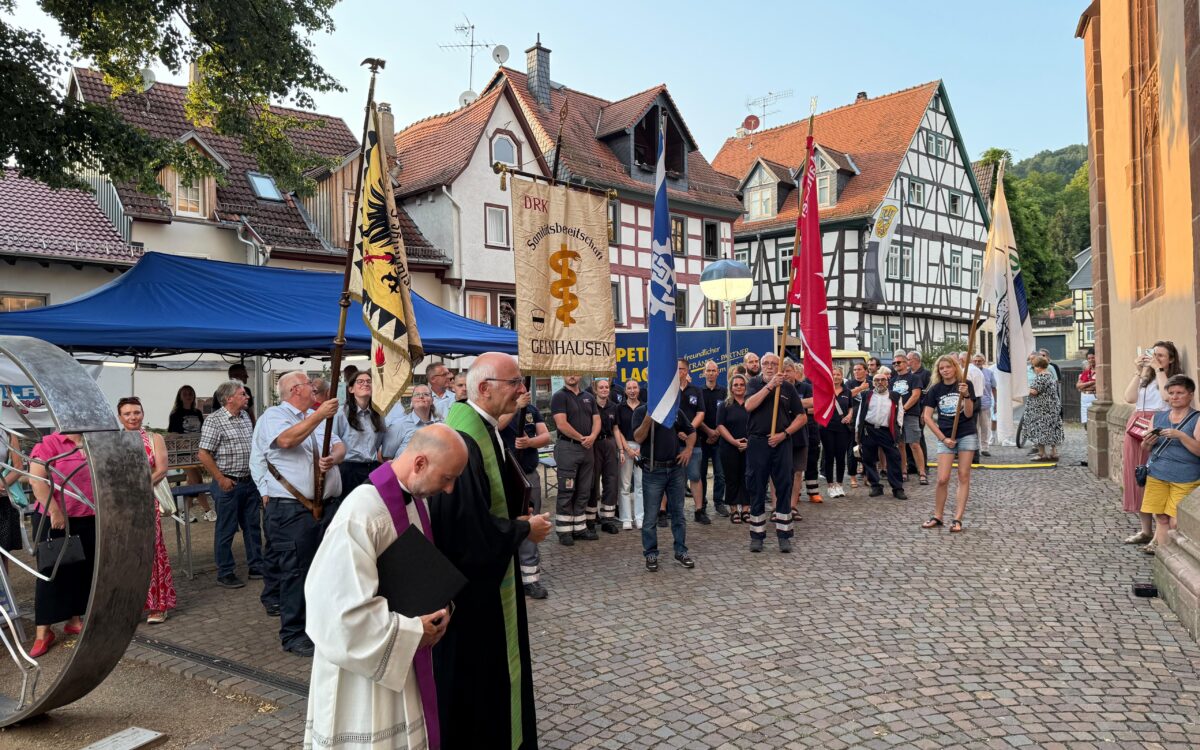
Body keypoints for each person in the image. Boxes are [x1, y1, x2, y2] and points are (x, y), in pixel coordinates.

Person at [303, 424, 468, 750]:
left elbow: (418, 571)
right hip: (362, 678)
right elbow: (338, 614)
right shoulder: (361, 513)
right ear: (419, 463)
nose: (449, 489)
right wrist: (413, 631)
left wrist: (440, 608)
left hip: (402, 664)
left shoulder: (416, 503)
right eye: (447, 478)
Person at [426, 353, 553, 750]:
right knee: (479, 681)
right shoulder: (464, 440)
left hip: (489, 577)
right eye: (514, 382)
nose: (521, 390)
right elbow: (467, 528)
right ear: (484, 388)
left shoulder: (485, 427)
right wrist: (522, 529)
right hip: (474, 593)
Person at [254, 371, 344, 656]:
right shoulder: (275, 416)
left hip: (325, 505)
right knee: (296, 570)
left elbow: (339, 444)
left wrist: (334, 457)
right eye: (308, 384)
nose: (313, 388)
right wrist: (319, 416)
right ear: (294, 390)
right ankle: (293, 633)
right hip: (292, 508)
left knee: (324, 568)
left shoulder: (313, 416)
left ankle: (320, 626)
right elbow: (286, 441)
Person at [26, 432, 94, 657]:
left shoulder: (92, 441)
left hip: (88, 516)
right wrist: (55, 511)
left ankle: (74, 619)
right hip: (54, 517)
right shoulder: (48, 443)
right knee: (51, 573)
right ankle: (43, 632)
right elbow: (36, 479)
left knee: (81, 569)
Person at [197, 380, 264, 590]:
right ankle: (225, 572)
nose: (247, 397)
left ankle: (256, 566)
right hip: (228, 482)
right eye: (243, 394)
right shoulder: (214, 420)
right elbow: (203, 453)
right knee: (226, 529)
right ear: (229, 398)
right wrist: (220, 478)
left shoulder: (245, 417)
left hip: (248, 481)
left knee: (252, 527)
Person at [118, 396, 176, 623]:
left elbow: (161, 470)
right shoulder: (114, 440)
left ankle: (158, 605)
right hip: (121, 504)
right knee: (126, 554)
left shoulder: (154, 438)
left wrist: (139, 487)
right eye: (127, 413)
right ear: (120, 417)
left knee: (151, 552)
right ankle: (130, 605)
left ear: (142, 414)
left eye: (136, 412)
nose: (133, 417)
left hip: (147, 501)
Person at [744, 353, 807, 553]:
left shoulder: (788, 387)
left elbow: (802, 417)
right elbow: (749, 405)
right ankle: (757, 535)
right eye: (766, 363)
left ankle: (784, 535)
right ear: (761, 366)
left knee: (783, 487)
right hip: (758, 442)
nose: (770, 366)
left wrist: (784, 434)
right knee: (757, 487)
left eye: (773, 363)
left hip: (781, 443)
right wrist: (770, 385)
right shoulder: (753, 383)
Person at [1121, 341, 1179, 545]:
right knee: (1139, 475)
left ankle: (1158, 534)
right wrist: (1139, 371)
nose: (1156, 358)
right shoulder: (1146, 378)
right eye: (1154, 354)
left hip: (1157, 425)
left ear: (1171, 359)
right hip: (1136, 425)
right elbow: (1129, 397)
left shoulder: (1172, 379)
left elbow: (1166, 397)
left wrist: (1159, 369)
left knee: (1155, 478)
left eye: (1161, 355)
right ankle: (1145, 530)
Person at [632, 392, 696, 570]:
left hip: (675, 469)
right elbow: (638, 437)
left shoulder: (674, 410)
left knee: (678, 514)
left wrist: (688, 449)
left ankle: (681, 551)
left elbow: (691, 431)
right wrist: (648, 417)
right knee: (651, 516)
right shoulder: (640, 411)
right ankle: (651, 553)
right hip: (653, 470)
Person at [500, 389, 552, 598]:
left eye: (522, 384)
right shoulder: (501, 408)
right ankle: (508, 576)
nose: (522, 389)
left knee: (531, 522)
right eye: (516, 383)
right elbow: (497, 426)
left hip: (529, 474)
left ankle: (531, 579)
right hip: (506, 476)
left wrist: (530, 442)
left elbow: (546, 436)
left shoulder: (532, 410)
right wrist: (515, 408)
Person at [1140, 375, 1200, 556]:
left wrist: (1180, 435)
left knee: (1176, 521)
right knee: (1161, 517)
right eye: (1171, 393)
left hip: (1184, 477)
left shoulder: (1196, 418)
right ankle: (1164, 557)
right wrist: (1148, 442)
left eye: (1180, 393)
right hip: (1157, 474)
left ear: (1190, 395)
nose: (1174, 397)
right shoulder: (1158, 417)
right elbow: (1145, 448)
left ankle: (1178, 558)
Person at [921, 356, 978, 533]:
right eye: (941, 368)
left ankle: (957, 518)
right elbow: (927, 417)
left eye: (948, 367)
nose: (945, 370)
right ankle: (938, 516)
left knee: (963, 475)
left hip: (966, 434)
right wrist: (943, 438)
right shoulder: (935, 389)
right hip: (945, 436)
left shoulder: (965, 384)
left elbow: (969, 414)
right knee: (942, 478)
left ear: (955, 367)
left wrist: (966, 395)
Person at [551, 374, 599, 544]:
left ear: (579, 374)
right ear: (563, 375)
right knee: (567, 489)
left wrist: (593, 436)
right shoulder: (559, 396)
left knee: (584, 490)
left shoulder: (589, 397)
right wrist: (582, 438)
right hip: (568, 448)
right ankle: (564, 531)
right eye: (568, 372)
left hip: (587, 449)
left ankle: (580, 528)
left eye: (574, 372)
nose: (571, 376)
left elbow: (597, 420)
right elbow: (561, 424)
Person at [854, 371, 906, 499]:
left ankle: (897, 488)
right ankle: (875, 486)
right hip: (869, 430)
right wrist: (857, 432)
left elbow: (900, 415)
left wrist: (898, 431)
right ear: (873, 383)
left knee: (894, 458)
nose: (880, 382)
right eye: (877, 380)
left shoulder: (895, 396)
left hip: (887, 431)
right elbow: (860, 414)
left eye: (883, 380)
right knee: (869, 459)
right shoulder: (866, 395)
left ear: (887, 382)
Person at [332, 370, 384, 495]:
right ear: (351, 389)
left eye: (369, 381)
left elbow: (377, 444)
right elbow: (332, 441)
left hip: (372, 469)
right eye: (360, 381)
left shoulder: (378, 416)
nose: (365, 384)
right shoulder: (341, 414)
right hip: (349, 470)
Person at [169, 384, 214, 521]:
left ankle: (185, 512)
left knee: (193, 482)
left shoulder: (198, 413)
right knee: (197, 480)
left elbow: (203, 431)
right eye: (185, 394)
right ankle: (208, 511)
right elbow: (173, 434)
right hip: (184, 453)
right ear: (180, 397)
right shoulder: (176, 414)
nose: (188, 396)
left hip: (197, 451)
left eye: (190, 393)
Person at [716, 373, 751, 523]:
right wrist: (734, 442)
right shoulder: (724, 405)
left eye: (742, 384)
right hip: (729, 447)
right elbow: (720, 426)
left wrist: (749, 442)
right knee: (731, 478)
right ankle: (734, 510)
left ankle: (746, 509)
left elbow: (757, 424)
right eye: (735, 385)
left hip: (750, 447)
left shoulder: (751, 404)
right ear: (731, 388)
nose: (739, 387)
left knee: (747, 477)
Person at [697, 360, 728, 517]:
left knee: (720, 474)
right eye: (708, 371)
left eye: (713, 371)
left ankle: (719, 502)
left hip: (720, 439)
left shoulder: (724, 392)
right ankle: (701, 504)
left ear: (718, 372)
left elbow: (727, 414)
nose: (710, 373)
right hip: (701, 439)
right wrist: (709, 432)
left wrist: (716, 432)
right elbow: (696, 415)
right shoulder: (698, 392)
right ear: (704, 373)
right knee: (701, 474)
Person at [889, 352, 926, 485]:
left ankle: (922, 472)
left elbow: (915, 395)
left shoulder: (914, 378)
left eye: (898, 362)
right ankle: (903, 471)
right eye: (894, 363)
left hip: (910, 415)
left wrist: (903, 409)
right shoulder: (892, 381)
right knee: (900, 444)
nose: (896, 365)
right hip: (896, 417)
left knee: (914, 444)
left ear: (906, 363)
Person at [782, 360, 813, 511]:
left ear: (795, 372)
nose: (785, 374)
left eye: (788, 371)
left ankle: (793, 505)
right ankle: (781, 504)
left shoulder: (805, 387)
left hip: (800, 435)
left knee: (797, 472)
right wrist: (800, 403)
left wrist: (789, 402)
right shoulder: (777, 387)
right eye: (783, 371)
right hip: (781, 435)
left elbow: (813, 402)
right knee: (781, 472)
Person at [820, 368, 855, 498]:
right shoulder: (825, 390)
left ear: (842, 376)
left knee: (841, 457)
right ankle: (830, 485)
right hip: (827, 428)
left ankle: (839, 485)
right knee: (829, 456)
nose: (835, 377)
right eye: (833, 374)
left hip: (842, 428)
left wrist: (850, 415)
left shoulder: (847, 391)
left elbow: (850, 407)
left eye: (838, 374)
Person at [383, 384, 441, 460]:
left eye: (426, 394)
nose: (421, 397)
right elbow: (386, 457)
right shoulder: (398, 425)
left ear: (432, 401)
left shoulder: (440, 426)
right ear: (412, 401)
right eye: (417, 394)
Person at [616, 380, 645, 530]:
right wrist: (626, 449)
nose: (632, 391)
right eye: (629, 388)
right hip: (625, 446)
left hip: (641, 448)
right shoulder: (619, 408)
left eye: (634, 387)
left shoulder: (645, 407)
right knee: (625, 485)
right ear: (625, 391)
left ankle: (640, 517)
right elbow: (617, 430)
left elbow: (647, 429)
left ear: (639, 389)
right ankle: (626, 518)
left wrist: (642, 448)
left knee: (640, 485)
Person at [1026, 355, 1065, 461]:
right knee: (1052, 428)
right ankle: (1054, 452)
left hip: (1042, 408)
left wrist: (1025, 389)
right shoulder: (1050, 375)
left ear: (1038, 366)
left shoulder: (1041, 377)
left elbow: (1035, 391)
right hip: (1052, 406)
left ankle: (1042, 453)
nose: (1034, 369)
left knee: (1040, 429)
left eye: (1034, 366)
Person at [845, 361, 871, 488]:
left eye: (859, 369)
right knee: (852, 450)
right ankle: (853, 477)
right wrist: (861, 388)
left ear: (866, 371)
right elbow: (848, 395)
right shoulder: (849, 383)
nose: (856, 372)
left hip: (868, 420)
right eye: (854, 370)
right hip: (853, 421)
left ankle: (867, 476)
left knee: (868, 450)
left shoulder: (871, 383)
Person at [0, 432, 24, 567]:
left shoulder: (8, 434)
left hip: (2, 500)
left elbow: (18, 467)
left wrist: (2, 484)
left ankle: (3, 580)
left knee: (3, 551)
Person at [972, 353, 996, 456]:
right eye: (975, 361)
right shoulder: (970, 372)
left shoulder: (989, 373)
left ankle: (985, 448)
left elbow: (994, 388)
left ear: (983, 362)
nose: (977, 362)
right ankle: (975, 447)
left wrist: (996, 402)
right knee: (974, 427)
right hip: (972, 403)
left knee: (985, 427)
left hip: (985, 403)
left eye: (979, 361)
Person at [1078, 348, 1097, 424]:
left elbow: (1097, 386)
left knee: (1093, 421)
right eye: (1089, 358)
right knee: (1085, 422)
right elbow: (1078, 385)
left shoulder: (1099, 370)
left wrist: (1084, 387)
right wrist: (1091, 383)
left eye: (1093, 358)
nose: (1091, 360)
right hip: (1084, 398)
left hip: (1094, 396)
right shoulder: (1087, 371)